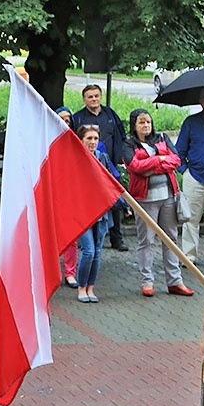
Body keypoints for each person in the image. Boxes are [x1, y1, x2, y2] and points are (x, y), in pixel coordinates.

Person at [123, 109, 195, 297]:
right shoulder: (128, 144)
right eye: (141, 122)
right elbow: (135, 167)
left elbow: (176, 160)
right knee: (146, 240)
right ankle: (147, 281)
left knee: (171, 238)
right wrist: (159, 159)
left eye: (148, 121)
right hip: (144, 200)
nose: (146, 125)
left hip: (168, 197)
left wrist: (152, 165)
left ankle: (175, 281)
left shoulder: (162, 138)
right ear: (134, 125)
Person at [72, 84, 128, 251]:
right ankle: (88, 239)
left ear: (101, 97)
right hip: (88, 170)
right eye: (90, 96)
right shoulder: (78, 118)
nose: (94, 99)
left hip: (109, 166)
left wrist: (119, 158)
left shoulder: (111, 115)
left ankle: (117, 239)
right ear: (84, 99)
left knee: (114, 201)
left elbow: (121, 136)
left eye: (96, 96)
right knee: (89, 204)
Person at [178, 87, 204, 267]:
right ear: (200, 101)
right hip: (194, 176)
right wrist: (184, 170)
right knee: (190, 218)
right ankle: (189, 255)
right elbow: (179, 151)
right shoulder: (191, 122)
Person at [75, 125, 114, 303]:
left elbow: (112, 182)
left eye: (95, 139)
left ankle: (91, 287)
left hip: (101, 211)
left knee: (98, 251)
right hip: (82, 212)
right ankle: (81, 287)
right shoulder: (75, 159)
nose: (92, 142)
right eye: (89, 138)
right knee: (89, 251)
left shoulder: (103, 158)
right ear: (81, 140)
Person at [55, 107, 79, 288]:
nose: (65, 122)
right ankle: (52, 270)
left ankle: (70, 273)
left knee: (72, 236)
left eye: (68, 120)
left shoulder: (76, 143)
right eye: (61, 119)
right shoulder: (47, 142)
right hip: (52, 195)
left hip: (70, 194)